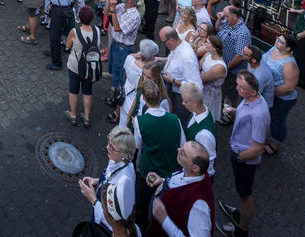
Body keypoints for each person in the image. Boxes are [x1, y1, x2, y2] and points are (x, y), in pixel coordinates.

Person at [220, 72, 270, 237]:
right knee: (241, 192)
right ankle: (239, 214)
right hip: (240, 154)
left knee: (245, 196)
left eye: (241, 88)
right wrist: (234, 112)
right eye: (237, 85)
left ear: (253, 92)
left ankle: (242, 230)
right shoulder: (248, 100)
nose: (237, 89)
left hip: (245, 160)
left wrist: (239, 158)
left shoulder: (259, 114)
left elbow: (257, 148)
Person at [133, 78, 184, 233]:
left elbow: (137, 146)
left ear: (143, 98)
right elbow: (182, 144)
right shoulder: (175, 119)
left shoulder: (141, 121)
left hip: (148, 174)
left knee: (141, 209)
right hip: (170, 173)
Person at [76, 127, 137, 237]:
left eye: (112, 148)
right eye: (108, 143)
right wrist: (97, 180)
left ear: (124, 154)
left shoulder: (124, 181)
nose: (107, 147)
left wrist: (93, 200)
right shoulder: (119, 161)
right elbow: (110, 175)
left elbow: (114, 222)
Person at [146, 139, 215, 237]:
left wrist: (164, 219)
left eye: (183, 153)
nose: (178, 150)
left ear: (195, 168)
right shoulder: (191, 172)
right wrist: (163, 181)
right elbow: (180, 182)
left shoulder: (198, 205)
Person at [65, 5, 103, 127]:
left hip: (75, 66)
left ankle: (73, 115)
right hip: (90, 68)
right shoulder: (97, 31)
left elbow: (67, 45)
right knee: (87, 91)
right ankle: (86, 117)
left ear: (80, 18)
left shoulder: (74, 32)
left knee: (73, 90)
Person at [262, 33, 300, 155]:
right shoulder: (274, 49)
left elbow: (289, 87)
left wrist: (269, 92)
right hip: (269, 92)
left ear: (288, 48)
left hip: (282, 99)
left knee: (277, 120)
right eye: (277, 39)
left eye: (280, 41)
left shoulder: (289, 64)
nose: (276, 41)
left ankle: (275, 144)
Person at [107, 0, 142, 119]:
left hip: (123, 49)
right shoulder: (121, 6)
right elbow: (107, 14)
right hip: (115, 45)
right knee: (114, 74)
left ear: (131, 0)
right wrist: (109, 5)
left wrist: (112, 10)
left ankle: (118, 111)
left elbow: (117, 28)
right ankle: (115, 99)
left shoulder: (134, 16)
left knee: (120, 79)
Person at [160, 26, 202, 124]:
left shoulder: (187, 57)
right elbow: (173, 59)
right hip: (173, 92)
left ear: (170, 40)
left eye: (164, 42)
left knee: (179, 122)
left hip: (181, 98)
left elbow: (196, 85)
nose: (164, 45)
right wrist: (159, 59)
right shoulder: (178, 45)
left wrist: (173, 81)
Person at [46, 0, 77, 71]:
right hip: (56, 7)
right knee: (53, 32)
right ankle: (54, 51)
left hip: (61, 10)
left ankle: (57, 63)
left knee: (55, 34)